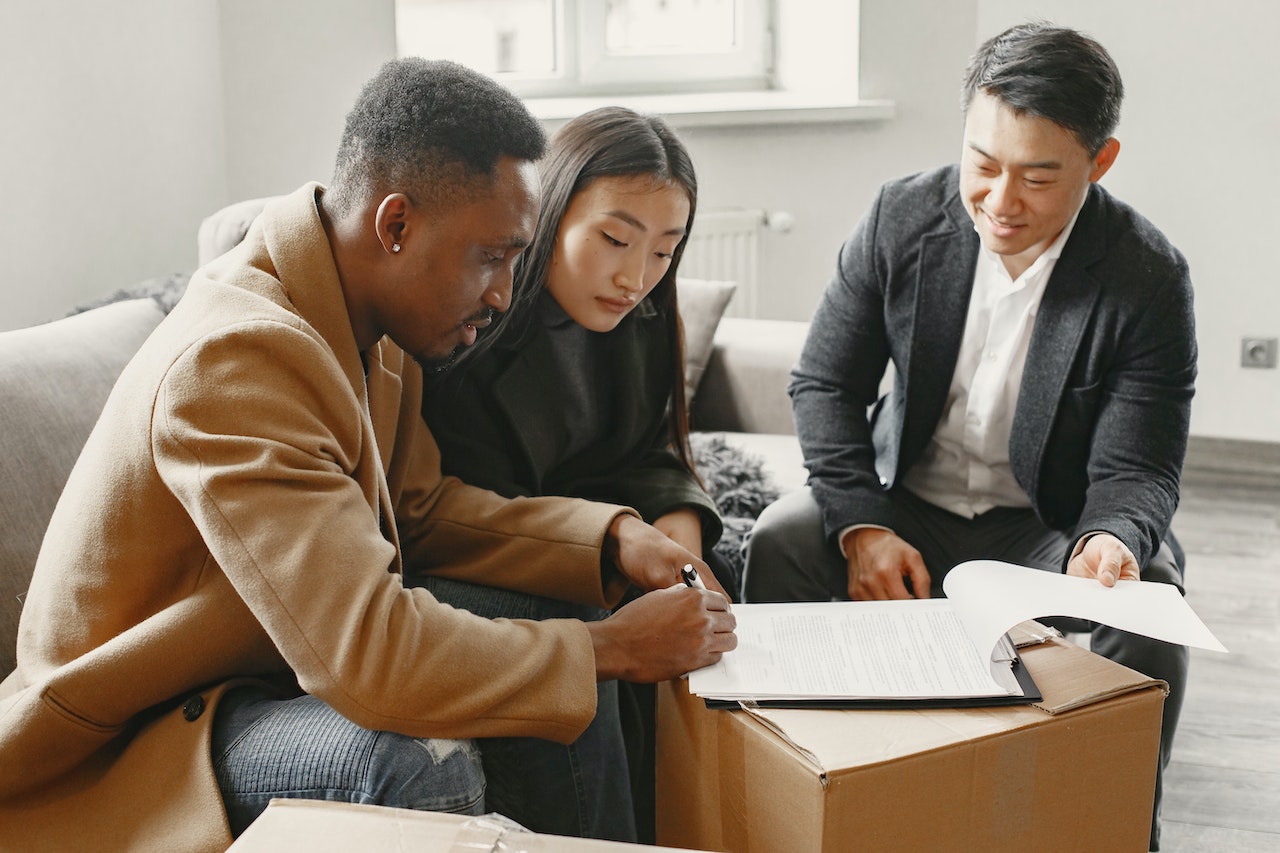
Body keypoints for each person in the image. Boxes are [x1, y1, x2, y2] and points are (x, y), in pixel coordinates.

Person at [0, 59, 735, 852]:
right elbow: (371, 657)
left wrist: (611, 539)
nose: (503, 293)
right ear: (395, 226)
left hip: (270, 666)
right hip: (142, 733)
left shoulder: (366, 323)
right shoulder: (238, 361)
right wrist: (613, 649)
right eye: (491, 257)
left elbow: (421, 512)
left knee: (561, 633)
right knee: (415, 756)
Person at [741, 23, 1194, 851]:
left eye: (1038, 176)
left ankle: (1122, 826)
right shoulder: (900, 216)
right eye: (982, 164)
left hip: (1049, 522)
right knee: (780, 540)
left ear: (1101, 162)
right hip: (902, 501)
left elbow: (1139, 465)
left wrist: (1107, 539)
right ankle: (793, 796)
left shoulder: (1146, 275)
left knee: (1150, 591)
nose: (999, 199)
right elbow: (826, 383)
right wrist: (862, 523)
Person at [418, 105, 728, 844]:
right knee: (586, 628)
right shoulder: (467, 327)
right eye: (615, 239)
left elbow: (647, 453)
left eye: (664, 250)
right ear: (550, 214)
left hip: (592, 542)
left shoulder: (641, 316)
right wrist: (616, 550)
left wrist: (682, 543)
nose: (635, 276)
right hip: (479, 555)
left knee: (707, 609)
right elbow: (461, 520)